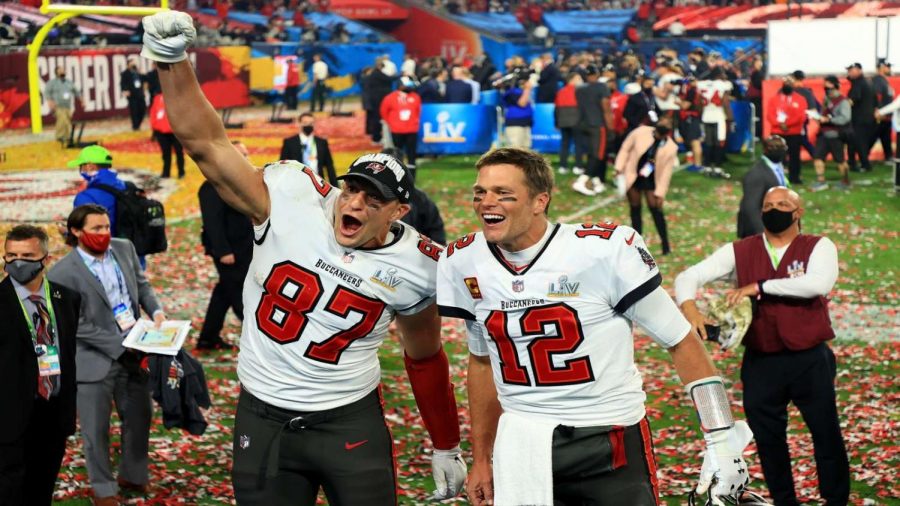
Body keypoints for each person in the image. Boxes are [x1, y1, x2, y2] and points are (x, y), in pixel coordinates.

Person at [140, 12, 466, 504]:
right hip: (262, 413)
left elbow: (424, 356)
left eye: (372, 200)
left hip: (347, 420)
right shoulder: (292, 197)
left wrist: (445, 442)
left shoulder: (419, 264)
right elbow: (206, 143)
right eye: (351, 189)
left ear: (400, 211)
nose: (353, 204)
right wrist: (172, 63)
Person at [437, 147, 753, 506]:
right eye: (480, 192)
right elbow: (481, 361)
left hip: (609, 435)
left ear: (540, 201)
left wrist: (722, 439)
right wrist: (481, 457)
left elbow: (681, 341)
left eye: (503, 194)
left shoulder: (603, 251)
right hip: (523, 441)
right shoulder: (463, 260)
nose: (486, 202)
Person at [675, 186, 850, 506]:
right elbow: (688, 276)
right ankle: (784, 501)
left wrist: (759, 286)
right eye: (768, 205)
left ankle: (836, 499)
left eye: (783, 204)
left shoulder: (818, 246)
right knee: (769, 441)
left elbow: (817, 284)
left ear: (798, 213)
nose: (774, 209)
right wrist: (690, 309)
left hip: (809, 357)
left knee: (826, 434)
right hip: (762, 360)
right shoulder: (741, 250)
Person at [48, 205, 166, 506]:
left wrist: (156, 311)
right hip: (94, 360)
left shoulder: (124, 249)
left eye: (106, 227)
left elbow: (141, 286)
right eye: (96, 229)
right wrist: (119, 344)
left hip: (135, 346)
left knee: (140, 417)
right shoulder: (62, 272)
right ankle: (103, 488)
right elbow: (75, 324)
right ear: (76, 231)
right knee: (95, 429)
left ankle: (134, 475)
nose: (104, 234)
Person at [0, 226, 80, 506]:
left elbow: (68, 352)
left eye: (26, 255)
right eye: (11, 255)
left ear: (45, 258)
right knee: (9, 491)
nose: (17, 262)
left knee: (42, 488)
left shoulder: (67, 298)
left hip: (53, 412)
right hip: (9, 416)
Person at [197, 142, 254, 351]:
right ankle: (256, 334)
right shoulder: (212, 187)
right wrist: (223, 251)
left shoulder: (239, 183)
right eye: (242, 156)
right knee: (238, 292)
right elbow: (212, 222)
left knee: (224, 291)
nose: (247, 160)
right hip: (229, 252)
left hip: (244, 247)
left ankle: (207, 337)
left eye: (247, 155)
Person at [614, 119, 678, 255]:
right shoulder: (640, 132)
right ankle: (637, 244)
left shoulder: (671, 147)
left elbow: (666, 173)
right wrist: (619, 167)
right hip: (634, 174)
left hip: (651, 179)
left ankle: (665, 243)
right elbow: (625, 148)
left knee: (656, 210)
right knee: (635, 208)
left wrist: (660, 193)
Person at [737, 136, 789, 239]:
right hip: (758, 232)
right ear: (765, 150)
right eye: (774, 147)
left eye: (782, 147)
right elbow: (751, 207)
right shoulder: (756, 174)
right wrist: (762, 234)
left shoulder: (777, 168)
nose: (779, 151)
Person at [573, 64, 613, 195]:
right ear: (597, 74)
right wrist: (611, 128)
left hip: (583, 124)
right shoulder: (602, 87)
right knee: (598, 155)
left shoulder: (579, 88)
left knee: (591, 153)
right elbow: (606, 108)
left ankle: (596, 182)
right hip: (597, 124)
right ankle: (581, 181)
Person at [71, 145, 127, 236]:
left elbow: (81, 234)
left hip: (103, 246)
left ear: (90, 167)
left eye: (81, 166)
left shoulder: (85, 197)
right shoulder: (124, 185)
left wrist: (65, 232)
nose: (80, 170)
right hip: (127, 244)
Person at [766, 75, 808, 184]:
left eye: (790, 83)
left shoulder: (800, 99)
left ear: (793, 85)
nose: (787, 85)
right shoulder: (774, 99)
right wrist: (779, 124)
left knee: (794, 156)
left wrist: (788, 124)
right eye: (786, 83)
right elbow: (770, 115)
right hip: (777, 131)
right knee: (776, 156)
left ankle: (795, 178)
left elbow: (801, 116)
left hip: (794, 132)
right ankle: (775, 178)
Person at [812, 76, 851, 192]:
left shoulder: (843, 102)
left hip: (836, 135)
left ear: (836, 87)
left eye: (830, 88)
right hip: (823, 134)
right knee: (818, 158)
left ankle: (845, 181)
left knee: (840, 160)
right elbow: (823, 113)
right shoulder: (826, 100)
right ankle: (821, 181)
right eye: (826, 88)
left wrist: (829, 120)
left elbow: (845, 118)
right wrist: (818, 117)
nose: (828, 91)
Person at [279, 112, 338, 186]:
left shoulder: (322, 142)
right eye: (305, 122)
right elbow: (282, 165)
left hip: (318, 185)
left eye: (311, 123)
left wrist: (335, 187)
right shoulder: (289, 143)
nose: (308, 125)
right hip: (296, 184)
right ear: (299, 124)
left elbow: (329, 166)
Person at [380, 76, 422, 177]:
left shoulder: (415, 96)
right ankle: (398, 175)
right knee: (398, 153)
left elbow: (417, 111)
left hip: (412, 130)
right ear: (400, 85)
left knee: (412, 154)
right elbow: (383, 112)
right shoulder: (390, 97)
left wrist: (413, 123)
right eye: (406, 85)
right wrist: (393, 123)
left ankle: (412, 177)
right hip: (397, 130)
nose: (409, 87)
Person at [697, 68, 733, 172]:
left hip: (706, 115)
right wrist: (730, 117)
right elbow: (725, 102)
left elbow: (699, 101)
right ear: (719, 75)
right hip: (719, 115)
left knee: (708, 141)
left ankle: (707, 164)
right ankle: (717, 165)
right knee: (719, 141)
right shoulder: (723, 85)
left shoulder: (703, 84)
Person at [845, 62, 874, 173]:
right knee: (857, 142)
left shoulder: (858, 83)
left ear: (859, 70)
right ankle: (854, 163)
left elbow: (853, 100)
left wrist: (842, 105)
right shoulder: (867, 82)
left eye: (851, 70)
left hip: (859, 118)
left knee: (859, 142)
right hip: (867, 117)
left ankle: (865, 164)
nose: (849, 73)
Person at [149, 93, 185, 178]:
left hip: (175, 132)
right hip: (161, 132)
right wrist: (155, 127)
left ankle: (181, 172)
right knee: (165, 153)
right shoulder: (157, 98)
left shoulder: (177, 98)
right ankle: (166, 172)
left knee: (179, 152)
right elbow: (153, 113)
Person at [554, 72, 583, 174]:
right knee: (578, 144)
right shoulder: (580, 91)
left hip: (563, 121)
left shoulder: (560, 92)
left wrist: (557, 123)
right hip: (577, 121)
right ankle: (578, 167)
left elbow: (556, 109)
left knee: (564, 144)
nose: (580, 80)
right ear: (572, 80)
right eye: (578, 78)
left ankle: (563, 166)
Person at [45, 65, 82, 147]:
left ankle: (65, 136)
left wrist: (82, 100)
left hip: (67, 106)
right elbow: (47, 93)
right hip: (58, 105)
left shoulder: (69, 82)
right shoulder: (52, 83)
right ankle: (62, 136)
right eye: (60, 70)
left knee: (66, 121)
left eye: (63, 70)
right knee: (63, 120)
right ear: (56, 72)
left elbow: (76, 92)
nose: (62, 72)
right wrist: (50, 102)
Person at [501, 71, 535, 149]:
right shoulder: (512, 92)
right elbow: (521, 103)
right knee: (515, 149)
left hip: (525, 122)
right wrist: (527, 89)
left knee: (526, 148)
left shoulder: (520, 91)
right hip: (515, 123)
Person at [678, 75, 705, 171]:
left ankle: (697, 165)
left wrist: (677, 102)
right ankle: (695, 162)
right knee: (693, 141)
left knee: (695, 141)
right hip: (694, 117)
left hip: (691, 118)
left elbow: (685, 106)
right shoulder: (696, 90)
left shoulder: (692, 91)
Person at [871, 59, 894, 161]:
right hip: (880, 115)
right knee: (872, 137)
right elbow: (877, 96)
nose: (889, 69)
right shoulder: (878, 80)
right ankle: (862, 158)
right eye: (887, 66)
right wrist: (878, 111)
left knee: (885, 137)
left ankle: (888, 157)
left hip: (886, 115)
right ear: (881, 67)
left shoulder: (884, 80)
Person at [121, 56, 146, 131]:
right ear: (128, 64)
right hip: (132, 95)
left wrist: (142, 73)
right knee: (134, 111)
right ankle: (135, 126)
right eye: (131, 62)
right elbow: (122, 83)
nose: (133, 64)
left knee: (142, 109)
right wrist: (125, 90)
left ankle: (138, 124)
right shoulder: (125, 73)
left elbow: (145, 79)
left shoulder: (137, 72)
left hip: (140, 94)